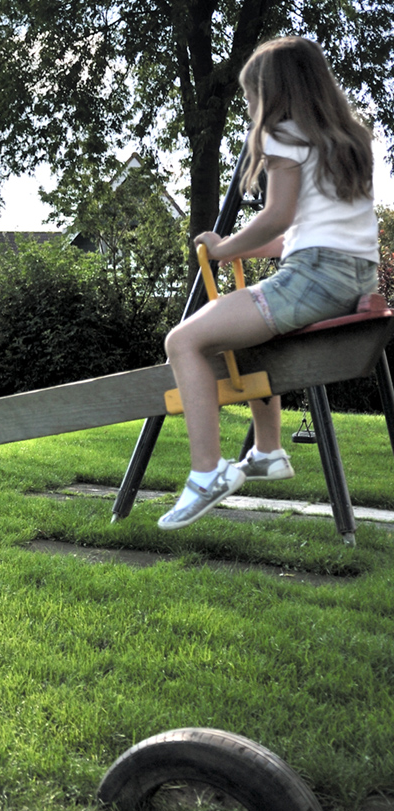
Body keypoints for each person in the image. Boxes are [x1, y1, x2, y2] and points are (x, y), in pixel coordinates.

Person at [159, 36, 379, 530]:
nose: (250, 108)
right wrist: (245, 248)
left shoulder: (282, 134)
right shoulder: (350, 139)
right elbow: (304, 236)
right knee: (247, 333)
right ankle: (267, 451)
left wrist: (223, 249)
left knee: (185, 340)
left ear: (272, 93)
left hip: (316, 277)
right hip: (355, 275)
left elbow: (276, 217)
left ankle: (207, 472)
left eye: (250, 97)